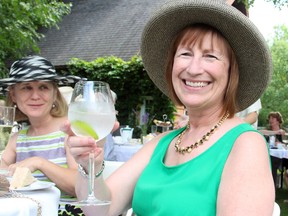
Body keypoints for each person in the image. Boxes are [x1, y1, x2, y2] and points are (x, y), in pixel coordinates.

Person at [62, 0, 275, 215]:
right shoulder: (162, 143)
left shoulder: (245, 144)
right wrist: (90, 165)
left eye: (210, 56)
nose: (193, 69)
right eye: (185, 54)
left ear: (231, 73)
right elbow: (100, 211)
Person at [0, 55, 84, 215]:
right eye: (26, 87)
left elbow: (79, 187)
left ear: (54, 93)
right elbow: (2, 179)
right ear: (13, 95)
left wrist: (39, 163)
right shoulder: (17, 139)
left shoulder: (70, 130)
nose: (35, 96)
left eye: (43, 87)